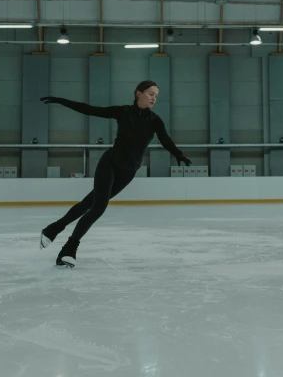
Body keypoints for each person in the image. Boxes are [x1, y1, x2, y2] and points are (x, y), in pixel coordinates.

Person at [38, 80, 192, 267]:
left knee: (89, 203)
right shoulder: (123, 112)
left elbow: (166, 140)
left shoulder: (154, 120)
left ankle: (53, 229)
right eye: (151, 93)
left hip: (128, 172)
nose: (154, 98)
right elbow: (90, 110)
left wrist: (179, 154)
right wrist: (61, 100)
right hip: (110, 163)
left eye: (156, 96)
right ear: (139, 93)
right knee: (99, 206)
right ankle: (69, 248)